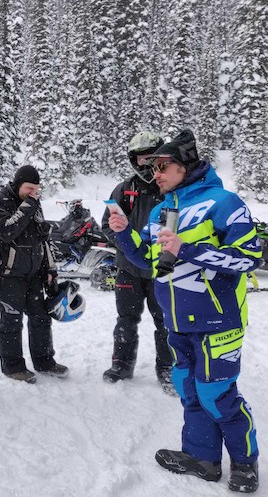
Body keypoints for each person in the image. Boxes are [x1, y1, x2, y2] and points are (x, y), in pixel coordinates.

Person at [108, 129, 261, 493]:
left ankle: (245, 463)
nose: (155, 173)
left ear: (185, 166)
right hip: (177, 320)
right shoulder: (163, 210)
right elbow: (149, 259)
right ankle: (202, 458)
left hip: (218, 320)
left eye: (163, 166)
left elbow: (249, 257)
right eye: (153, 167)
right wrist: (124, 232)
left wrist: (187, 249)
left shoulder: (224, 202)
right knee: (188, 388)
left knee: (218, 394)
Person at [101, 132, 174, 393]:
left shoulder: (171, 188)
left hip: (163, 269)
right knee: (126, 319)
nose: (145, 164)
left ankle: (168, 369)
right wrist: (125, 243)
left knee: (165, 321)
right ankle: (122, 363)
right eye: (140, 159)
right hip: (129, 269)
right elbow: (106, 225)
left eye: (150, 158)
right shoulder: (125, 189)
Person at [0, 165, 68, 383]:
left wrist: (50, 268)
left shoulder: (34, 204)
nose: (33, 193)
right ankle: (12, 366)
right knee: (12, 320)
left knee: (41, 318)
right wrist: (29, 205)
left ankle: (44, 361)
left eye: (36, 190)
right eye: (29, 188)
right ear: (17, 184)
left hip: (34, 274)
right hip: (9, 274)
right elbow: (6, 230)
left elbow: (44, 238)